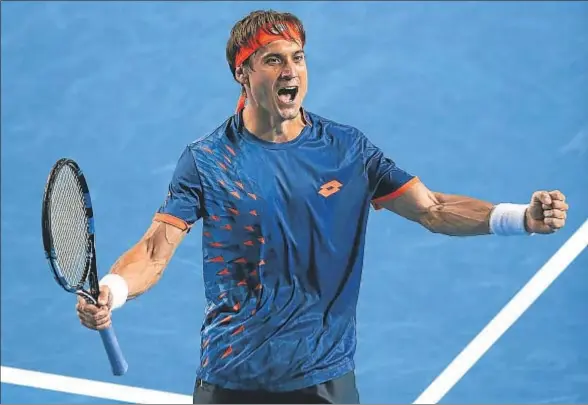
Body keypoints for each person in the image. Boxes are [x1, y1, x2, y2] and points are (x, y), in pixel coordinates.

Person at [76, 9, 569, 404]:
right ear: (242, 73)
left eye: (299, 57)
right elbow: (155, 251)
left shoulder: (347, 151)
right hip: (229, 378)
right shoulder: (207, 161)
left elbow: (433, 208)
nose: (291, 71)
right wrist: (113, 290)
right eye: (273, 60)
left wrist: (519, 217)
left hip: (323, 382)